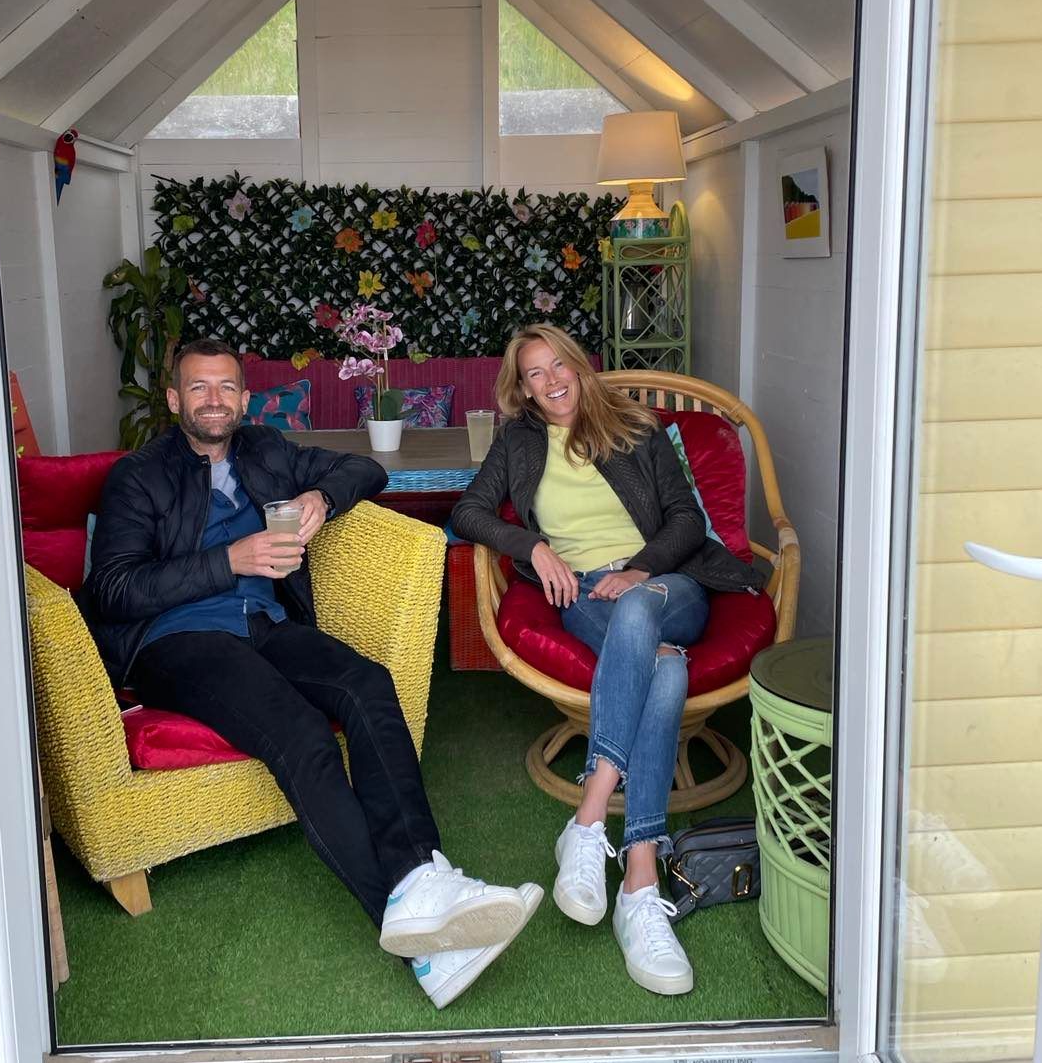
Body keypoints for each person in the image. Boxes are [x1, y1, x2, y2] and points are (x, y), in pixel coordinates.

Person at [81, 338, 541, 1008]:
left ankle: (426, 879)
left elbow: (368, 471)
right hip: (177, 640)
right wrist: (230, 559)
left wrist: (324, 493)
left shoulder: (266, 450)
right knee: (302, 733)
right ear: (175, 399)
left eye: (228, 387)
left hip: (267, 624)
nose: (216, 400)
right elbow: (112, 590)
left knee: (368, 684)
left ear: (245, 395)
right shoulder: (139, 475)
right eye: (200, 388)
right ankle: (410, 914)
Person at [451, 324, 762, 997]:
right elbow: (468, 511)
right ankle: (640, 881)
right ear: (522, 386)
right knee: (668, 668)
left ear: (580, 365)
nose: (551, 380)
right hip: (584, 592)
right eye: (534, 373)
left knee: (639, 612)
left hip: (664, 586)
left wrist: (640, 568)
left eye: (558, 364)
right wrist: (533, 548)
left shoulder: (633, 426)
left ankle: (589, 819)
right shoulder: (519, 441)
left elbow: (684, 518)